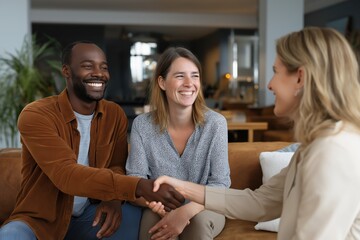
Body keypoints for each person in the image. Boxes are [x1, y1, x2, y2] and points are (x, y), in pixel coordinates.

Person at [152, 27, 360, 239]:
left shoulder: (333, 153)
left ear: (300, 78)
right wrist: (184, 188)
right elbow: (261, 203)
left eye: (275, 72)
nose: (269, 84)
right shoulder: (316, 146)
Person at [0, 40, 184, 240]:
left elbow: (115, 165)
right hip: (39, 221)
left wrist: (114, 199)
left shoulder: (114, 114)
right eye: (88, 66)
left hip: (91, 214)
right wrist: (139, 186)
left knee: (141, 222)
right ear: (66, 71)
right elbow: (66, 174)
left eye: (103, 67)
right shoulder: (37, 114)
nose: (99, 73)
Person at [126, 47, 231, 240]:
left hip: (206, 206)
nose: (189, 84)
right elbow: (135, 181)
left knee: (197, 227)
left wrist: (186, 212)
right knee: (154, 231)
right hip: (158, 204)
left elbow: (220, 185)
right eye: (180, 76)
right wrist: (153, 204)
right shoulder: (142, 125)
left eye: (195, 76)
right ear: (162, 82)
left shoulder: (216, 124)